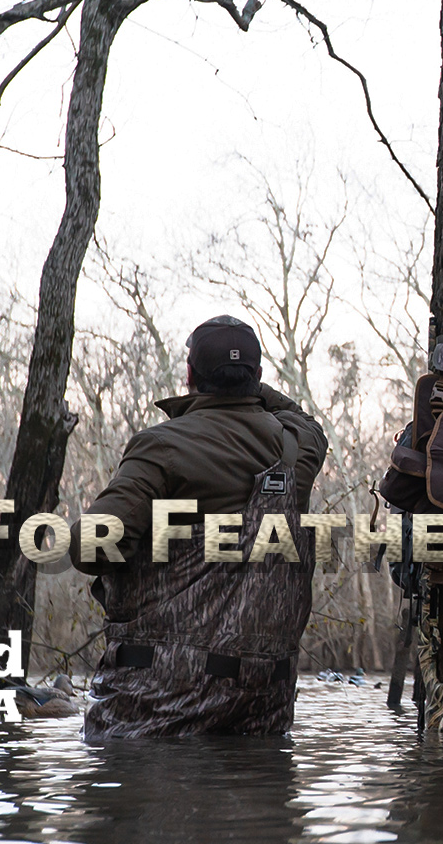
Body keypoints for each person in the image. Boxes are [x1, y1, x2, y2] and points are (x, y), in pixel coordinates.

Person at [73, 314, 328, 739]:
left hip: (162, 695)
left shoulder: (163, 444)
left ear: (190, 375)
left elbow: (91, 548)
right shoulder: (296, 446)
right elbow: (303, 418)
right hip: (266, 698)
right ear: (258, 376)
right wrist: (249, 386)